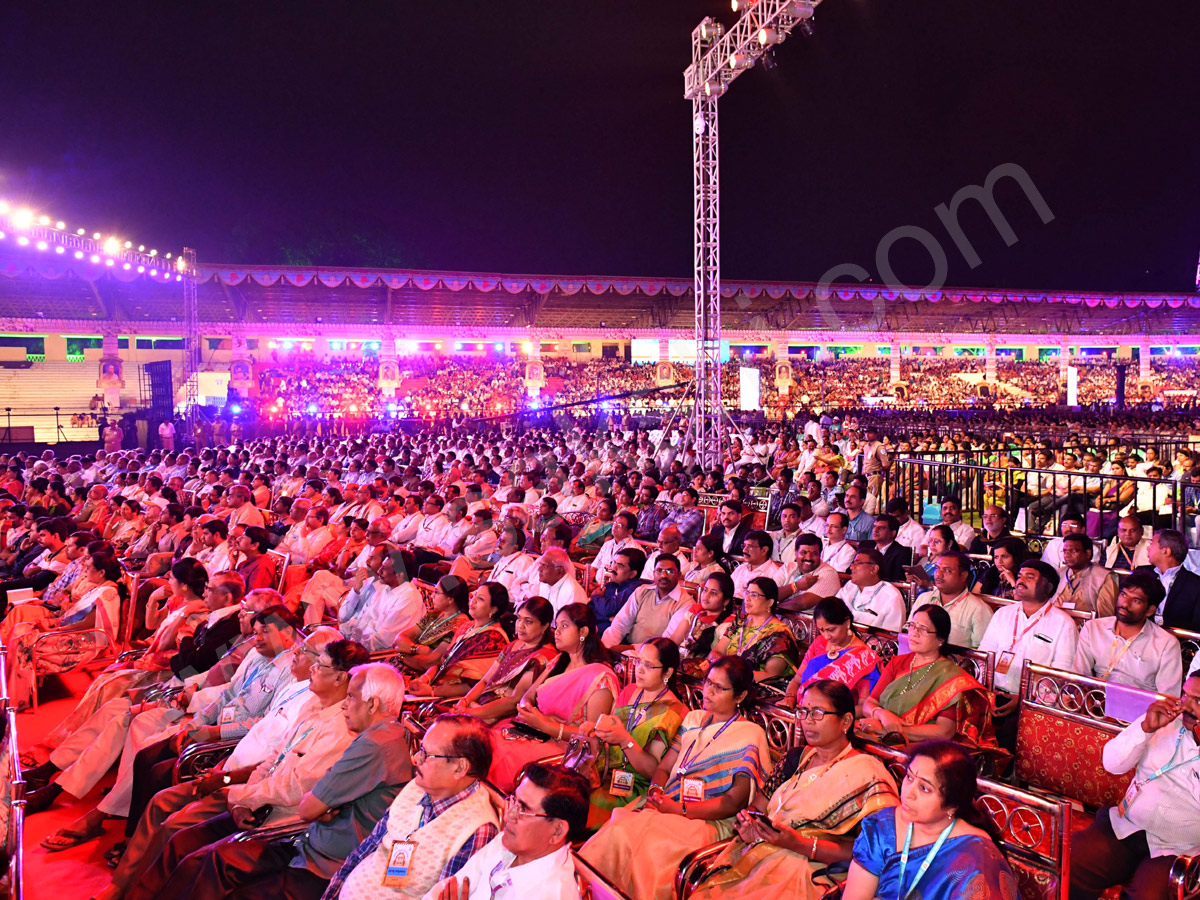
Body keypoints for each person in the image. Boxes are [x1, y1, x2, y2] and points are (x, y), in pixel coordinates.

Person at [124, 663, 412, 900]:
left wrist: (237, 790)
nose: (345, 705)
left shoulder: (371, 743)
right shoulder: (323, 711)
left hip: (306, 844)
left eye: (351, 697)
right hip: (288, 825)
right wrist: (242, 794)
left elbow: (306, 807)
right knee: (189, 847)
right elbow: (277, 760)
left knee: (207, 858)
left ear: (372, 704)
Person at [580, 656, 771, 900]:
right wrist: (656, 791)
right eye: (707, 682)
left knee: (651, 846)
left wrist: (680, 810)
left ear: (741, 696)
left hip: (707, 819)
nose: (708, 692)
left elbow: (734, 801)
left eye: (719, 688)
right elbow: (665, 767)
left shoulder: (750, 734)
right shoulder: (693, 719)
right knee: (618, 831)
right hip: (667, 805)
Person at [688, 680, 899, 900]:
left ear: (845, 720)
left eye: (817, 713)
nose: (807, 722)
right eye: (803, 712)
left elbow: (872, 853)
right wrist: (749, 827)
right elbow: (756, 808)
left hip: (812, 871)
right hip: (762, 855)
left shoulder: (868, 774)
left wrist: (799, 844)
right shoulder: (795, 758)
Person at [317, 714, 501, 900]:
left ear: (460, 768)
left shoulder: (477, 830)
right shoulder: (417, 787)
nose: (416, 759)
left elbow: (442, 896)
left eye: (427, 755)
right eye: (420, 749)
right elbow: (366, 849)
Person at [1068, 674, 1200, 900]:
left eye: (1198, 701)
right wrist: (1145, 729)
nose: (1185, 705)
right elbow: (1112, 764)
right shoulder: (1162, 720)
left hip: (1178, 848)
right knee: (1073, 862)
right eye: (1185, 695)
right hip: (1126, 827)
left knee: (1147, 896)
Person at [842, 741, 1018, 899]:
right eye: (909, 777)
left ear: (952, 806)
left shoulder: (976, 854)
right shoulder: (882, 828)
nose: (908, 794)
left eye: (924, 788)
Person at [487, 603, 618, 792]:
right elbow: (527, 697)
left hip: (566, 750)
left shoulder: (600, 677)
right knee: (487, 745)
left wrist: (548, 726)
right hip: (533, 732)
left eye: (564, 626)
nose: (557, 632)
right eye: (557, 625)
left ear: (583, 631)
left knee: (507, 762)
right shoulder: (558, 660)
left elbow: (592, 736)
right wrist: (529, 711)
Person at [423, 763, 590, 900]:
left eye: (523, 809)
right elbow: (445, 890)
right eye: (514, 801)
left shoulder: (551, 894)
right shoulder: (505, 843)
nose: (509, 816)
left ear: (557, 831)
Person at [860, 605, 999, 750]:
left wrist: (891, 730)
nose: (914, 633)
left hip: (921, 747)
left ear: (940, 640)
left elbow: (944, 731)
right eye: (912, 626)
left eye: (923, 629)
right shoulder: (897, 662)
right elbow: (869, 702)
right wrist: (882, 714)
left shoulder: (952, 679)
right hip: (879, 734)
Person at [584, 637, 687, 828]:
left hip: (635, 787)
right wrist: (595, 731)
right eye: (638, 661)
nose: (639, 669)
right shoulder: (631, 691)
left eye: (648, 665)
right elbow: (608, 731)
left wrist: (625, 740)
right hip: (604, 772)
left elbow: (653, 771)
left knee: (580, 805)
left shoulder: (673, 711)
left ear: (668, 672)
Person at [978, 560, 1078, 751]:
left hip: (1032, 702)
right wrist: (987, 692)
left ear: (1048, 587)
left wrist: (1022, 698)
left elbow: (1060, 677)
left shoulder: (1063, 624)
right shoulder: (1003, 614)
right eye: (1019, 576)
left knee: (1010, 736)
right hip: (992, 693)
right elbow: (985, 657)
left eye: (1029, 577)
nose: (1020, 581)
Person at [1073, 570, 1182, 695]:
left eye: (1136, 601)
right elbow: (1079, 675)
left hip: (1141, 710)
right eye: (1123, 595)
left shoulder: (1166, 644)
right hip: (1097, 703)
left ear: (1150, 610)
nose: (1125, 604)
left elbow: (1168, 696)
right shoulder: (1093, 628)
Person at [453, 597, 558, 724]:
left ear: (545, 626)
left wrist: (471, 712)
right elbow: (486, 680)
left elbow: (514, 700)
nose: (520, 625)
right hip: (481, 705)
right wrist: (464, 701)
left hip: (503, 717)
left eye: (529, 622)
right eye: (519, 619)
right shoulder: (514, 645)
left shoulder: (544, 657)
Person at [409, 581, 511, 698]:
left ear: (493, 609)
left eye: (481, 599)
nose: (473, 600)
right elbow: (442, 663)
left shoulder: (494, 639)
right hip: (435, 687)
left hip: (456, 699)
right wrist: (425, 678)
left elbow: (473, 685)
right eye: (475, 594)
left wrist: (432, 691)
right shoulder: (466, 627)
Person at [780, 597, 880, 709]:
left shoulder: (865, 658)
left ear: (847, 623)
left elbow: (864, 706)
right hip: (803, 713)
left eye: (831, 630)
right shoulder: (819, 643)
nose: (826, 636)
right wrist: (790, 698)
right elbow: (796, 681)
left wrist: (832, 715)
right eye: (821, 630)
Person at [708, 577, 799, 685]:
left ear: (769, 602)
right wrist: (720, 668)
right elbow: (717, 651)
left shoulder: (779, 633)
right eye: (747, 592)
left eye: (754, 595)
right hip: (726, 681)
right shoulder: (740, 620)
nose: (747, 598)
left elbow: (771, 676)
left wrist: (731, 675)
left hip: (758, 689)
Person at [601, 552, 689, 652]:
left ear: (679, 575)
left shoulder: (685, 603)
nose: (663, 575)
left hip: (656, 657)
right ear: (653, 574)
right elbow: (620, 625)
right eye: (659, 571)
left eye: (670, 571)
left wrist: (630, 649)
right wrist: (605, 650)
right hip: (626, 649)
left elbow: (667, 643)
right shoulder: (642, 591)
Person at [390, 567, 472, 673]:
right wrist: (417, 649)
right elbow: (398, 640)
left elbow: (430, 662)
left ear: (450, 599)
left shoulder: (459, 625)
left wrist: (403, 655)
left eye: (437, 592)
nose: (432, 595)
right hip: (407, 665)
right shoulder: (435, 614)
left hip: (424, 675)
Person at [914, 552, 993, 649]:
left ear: (963, 575)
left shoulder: (979, 609)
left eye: (947, 570)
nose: (939, 574)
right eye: (937, 568)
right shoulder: (923, 599)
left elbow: (981, 653)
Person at [1135, 529, 1200, 630]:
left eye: (1152, 543)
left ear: (1166, 551)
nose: (1148, 548)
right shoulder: (1140, 573)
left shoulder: (1195, 585)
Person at [837, 548, 907, 631]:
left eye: (858, 563)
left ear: (874, 569)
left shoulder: (891, 596)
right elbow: (832, 611)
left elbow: (892, 637)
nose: (851, 567)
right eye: (853, 563)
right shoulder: (850, 586)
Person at [1055, 532, 1118, 616]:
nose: (1067, 555)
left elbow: (1105, 617)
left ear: (1088, 553)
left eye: (1073, 551)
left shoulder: (1104, 577)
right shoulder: (1059, 573)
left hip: (1086, 626)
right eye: (1065, 551)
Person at [588, 546, 646, 636]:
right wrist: (608, 619)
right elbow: (589, 610)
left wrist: (596, 596)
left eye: (620, 566)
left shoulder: (636, 588)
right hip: (595, 635)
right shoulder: (611, 585)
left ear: (632, 574)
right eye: (614, 563)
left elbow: (609, 608)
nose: (613, 568)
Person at [779, 533, 842, 611]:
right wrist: (796, 586)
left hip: (807, 622)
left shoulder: (829, 573)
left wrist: (770, 609)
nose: (808, 558)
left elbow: (800, 604)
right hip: (777, 619)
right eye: (804, 553)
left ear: (820, 555)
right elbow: (768, 594)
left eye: (814, 554)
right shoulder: (787, 567)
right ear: (796, 553)